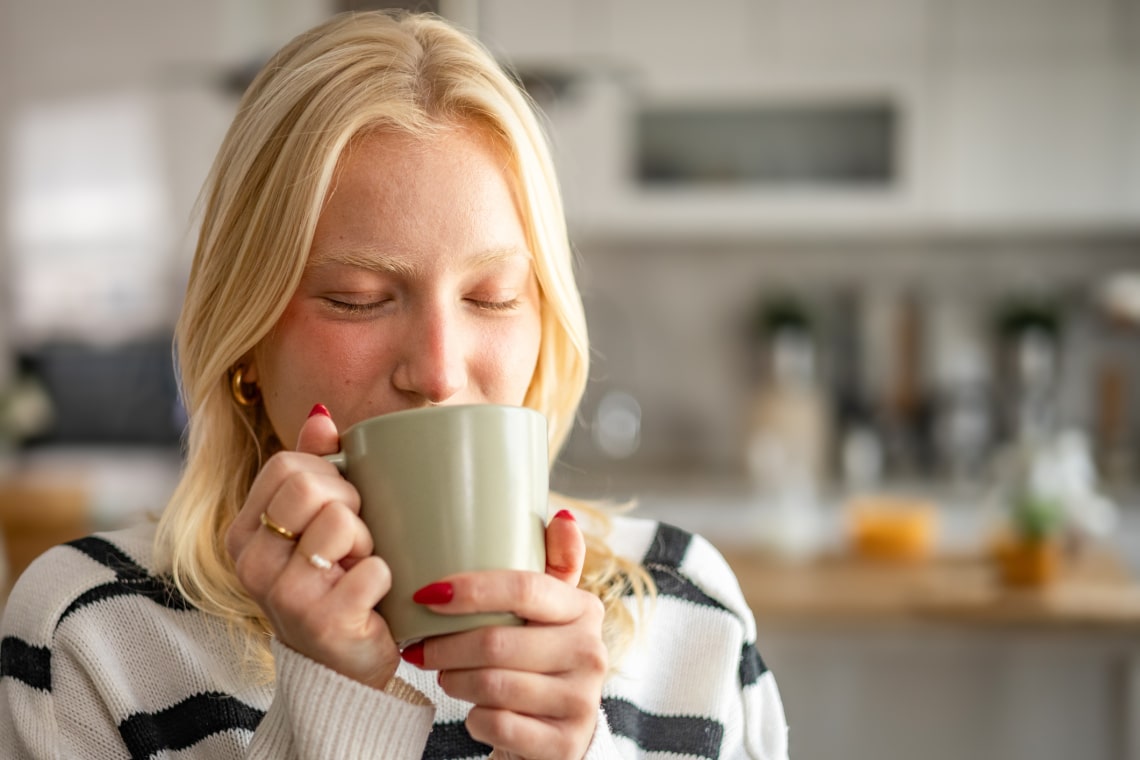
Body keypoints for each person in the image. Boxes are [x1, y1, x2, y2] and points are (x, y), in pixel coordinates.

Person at [0, 10, 788, 759]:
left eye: (492, 298)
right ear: (244, 344)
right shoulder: (89, 634)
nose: (439, 371)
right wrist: (337, 704)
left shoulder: (694, 618)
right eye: (358, 301)